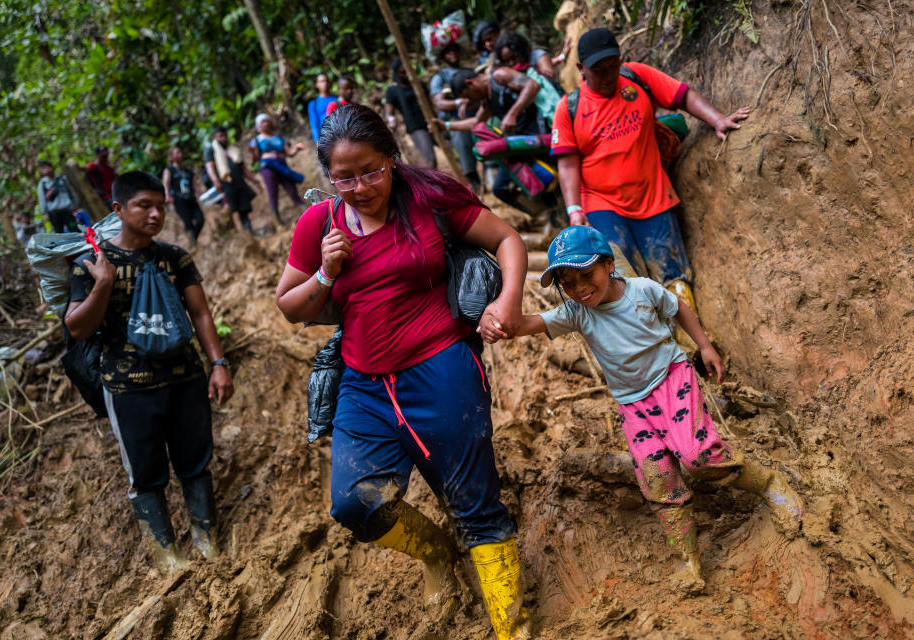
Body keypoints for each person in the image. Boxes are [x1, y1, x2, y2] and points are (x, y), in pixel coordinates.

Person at [275, 104, 532, 639]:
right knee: (354, 505)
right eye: (343, 177)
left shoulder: (430, 197)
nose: (359, 186)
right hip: (364, 385)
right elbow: (291, 307)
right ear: (327, 176)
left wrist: (507, 302)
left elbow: (507, 239)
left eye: (370, 170)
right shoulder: (318, 223)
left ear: (391, 160)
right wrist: (327, 270)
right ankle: (438, 553)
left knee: (474, 503)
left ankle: (514, 628)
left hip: (441, 368)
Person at [483, 225, 803, 593]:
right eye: (568, 283)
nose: (580, 288)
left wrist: (705, 346)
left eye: (587, 274)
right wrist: (499, 320)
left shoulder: (643, 291)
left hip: (672, 379)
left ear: (608, 265)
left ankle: (768, 484)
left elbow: (678, 306)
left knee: (697, 455)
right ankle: (688, 560)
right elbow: (528, 323)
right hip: (632, 403)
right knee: (658, 477)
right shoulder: (576, 312)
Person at [65, 170, 234, 574]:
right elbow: (76, 327)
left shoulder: (175, 257)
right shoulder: (90, 264)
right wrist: (103, 284)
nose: (156, 213)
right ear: (119, 209)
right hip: (128, 389)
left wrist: (218, 363)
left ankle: (206, 541)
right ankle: (167, 557)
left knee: (195, 462)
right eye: (144, 206)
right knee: (145, 474)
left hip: (185, 379)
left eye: (161, 206)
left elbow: (201, 313)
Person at [551, 27, 750, 314]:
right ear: (581, 68)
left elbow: (682, 96)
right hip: (600, 203)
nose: (608, 75)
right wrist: (574, 210)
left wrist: (716, 119)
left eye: (613, 66)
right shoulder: (569, 108)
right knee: (619, 278)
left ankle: (688, 348)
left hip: (652, 195)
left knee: (672, 275)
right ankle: (648, 348)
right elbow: (568, 163)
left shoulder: (636, 77)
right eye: (598, 70)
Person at [435, 67, 543, 214]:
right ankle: (542, 213)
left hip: (539, 134)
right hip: (518, 144)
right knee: (500, 189)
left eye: (470, 97)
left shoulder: (499, 76)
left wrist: (513, 113)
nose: (474, 101)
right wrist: (446, 126)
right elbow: (476, 123)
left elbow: (532, 85)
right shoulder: (487, 100)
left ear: (471, 83)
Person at [429, 43, 481, 192]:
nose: (453, 55)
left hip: (478, 116)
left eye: (455, 51)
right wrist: (459, 102)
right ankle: (472, 179)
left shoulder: (469, 72)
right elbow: (438, 102)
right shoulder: (440, 77)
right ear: (443, 56)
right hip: (455, 120)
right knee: (462, 142)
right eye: (448, 52)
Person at [249, 113, 306, 226]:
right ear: (258, 126)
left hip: (282, 165)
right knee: (272, 192)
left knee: (291, 188)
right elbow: (255, 159)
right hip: (267, 168)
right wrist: (253, 152)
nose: (266, 123)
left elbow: (289, 153)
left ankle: (304, 211)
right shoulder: (256, 141)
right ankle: (277, 221)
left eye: (267, 120)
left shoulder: (279, 138)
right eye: (263, 122)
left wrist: (296, 149)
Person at [204, 127, 261, 233]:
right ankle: (236, 233)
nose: (224, 138)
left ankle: (248, 231)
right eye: (221, 136)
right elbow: (210, 167)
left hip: (239, 183)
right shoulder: (211, 150)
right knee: (231, 210)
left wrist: (254, 180)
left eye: (225, 136)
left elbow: (243, 168)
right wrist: (216, 182)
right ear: (215, 137)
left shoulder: (233, 150)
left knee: (244, 208)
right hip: (226, 185)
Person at [385, 58, 436, 168]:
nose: (406, 74)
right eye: (403, 72)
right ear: (397, 74)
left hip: (432, 121)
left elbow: (432, 102)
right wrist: (390, 119)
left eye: (408, 70)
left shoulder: (420, 85)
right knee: (430, 159)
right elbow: (389, 110)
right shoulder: (393, 90)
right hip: (416, 126)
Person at [162, 146, 205, 245]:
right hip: (179, 200)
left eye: (180, 151)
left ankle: (194, 238)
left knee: (200, 219)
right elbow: (166, 183)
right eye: (177, 152)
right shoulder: (169, 170)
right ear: (171, 157)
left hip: (191, 199)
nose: (180, 154)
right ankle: (193, 243)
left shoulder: (188, 171)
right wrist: (167, 195)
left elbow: (195, 186)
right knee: (188, 222)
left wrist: (201, 194)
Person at [36, 160, 79, 232]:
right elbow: (42, 200)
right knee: (59, 233)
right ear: (41, 171)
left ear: (52, 168)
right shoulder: (42, 184)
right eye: (43, 168)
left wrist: (75, 204)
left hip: (67, 210)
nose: (46, 170)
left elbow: (70, 192)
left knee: (74, 229)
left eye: (47, 167)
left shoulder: (62, 179)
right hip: (54, 213)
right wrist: (45, 213)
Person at [307, 72, 337, 141]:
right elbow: (314, 124)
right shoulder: (313, 104)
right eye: (322, 81)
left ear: (330, 83)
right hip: (326, 139)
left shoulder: (337, 99)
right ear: (317, 84)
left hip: (341, 135)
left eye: (327, 81)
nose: (325, 83)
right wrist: (318, 142)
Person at [86, 146, 117, 210]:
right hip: (106, 198)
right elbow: (85, 169)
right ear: (97, 156)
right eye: (103, 156)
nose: (105, 157)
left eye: (106, 155)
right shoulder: (94, 166)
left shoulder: (109, 166)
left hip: (115, 194)